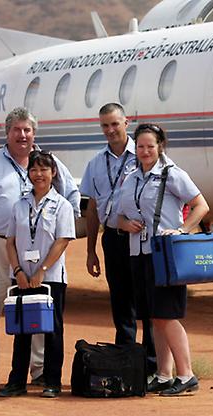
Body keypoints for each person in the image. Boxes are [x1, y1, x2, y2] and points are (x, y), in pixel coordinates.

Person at [0, 107, 80, 388]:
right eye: (17, 130)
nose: (22, 135)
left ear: (34, 133)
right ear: (7, 133)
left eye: (27, 130)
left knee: (37, 308)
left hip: (37, 250)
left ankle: (39, 369)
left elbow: (72, 195)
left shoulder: (50, 162)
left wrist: (61, 226)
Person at [118, 123, 209, 396]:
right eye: (140, 146)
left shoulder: (172, 174)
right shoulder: (131, 178)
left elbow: (201, 205)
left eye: (150, 146)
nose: (145, 151)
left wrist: (182, 230)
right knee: (154, 317)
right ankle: (163, 374)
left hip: (165, 254)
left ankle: (187, 374)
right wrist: (125, 224)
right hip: (139, 253)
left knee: (167, 315)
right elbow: (120, 216)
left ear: (160, 147)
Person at [79, 103, 157, 374]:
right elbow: (92, 209)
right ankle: (126, 363)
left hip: (140, 238)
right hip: (112, 238)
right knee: (121, 303)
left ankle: (151, 365)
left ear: (126, 123)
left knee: (146, 301)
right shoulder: (96, 163)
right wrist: (91, 250)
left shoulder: (144, 155)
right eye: (105, 125)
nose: (110, 130)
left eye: (115, 124)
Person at [0, 150, 75, 398]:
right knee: (21, 330)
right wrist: (18, 270)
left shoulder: (62, 205)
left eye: (44, 169)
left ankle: (52, 382)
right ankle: (16, 381)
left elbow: (63, 240)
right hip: (22, 276)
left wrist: (41, 271)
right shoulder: (19, 205)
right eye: (34, 169)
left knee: (52, 330)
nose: (38, 174)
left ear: (53, 173)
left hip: (50, 278)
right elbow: (10, 242)